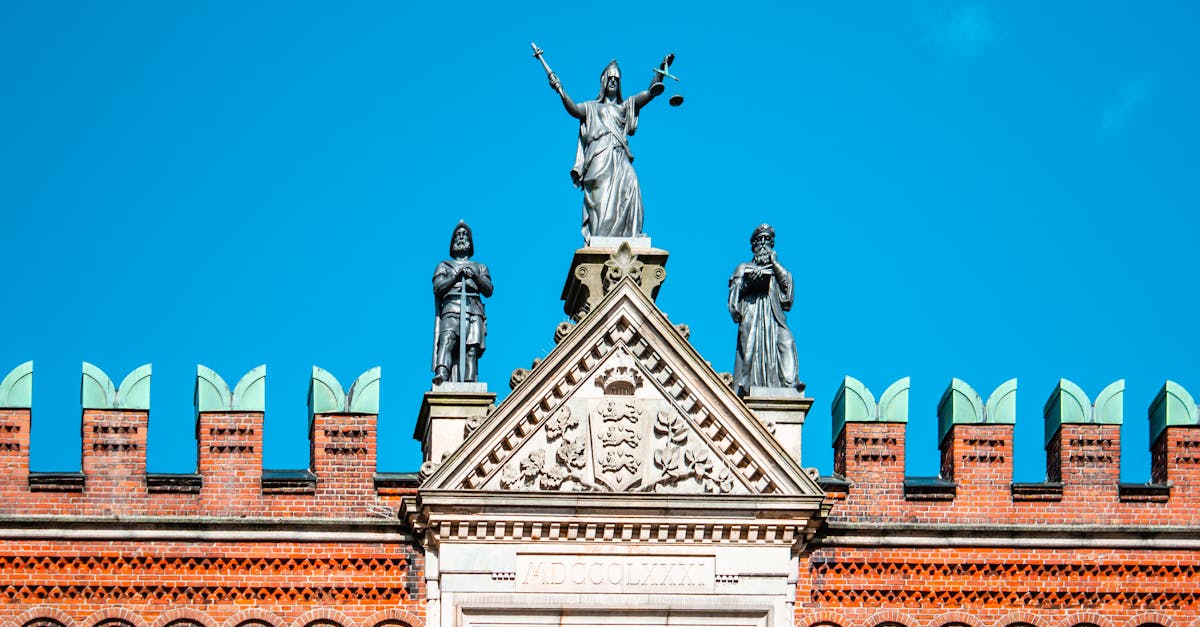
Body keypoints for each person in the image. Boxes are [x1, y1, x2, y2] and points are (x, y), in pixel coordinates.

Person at [548, 56, 671, 241]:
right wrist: (560, 89)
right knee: (603, 199)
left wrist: (660, 74)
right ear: (604, 82)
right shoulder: (592, 107)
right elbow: (574, 110)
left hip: (620, 156)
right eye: (610, 78)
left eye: (616, 79)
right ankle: (601, 236)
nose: (613, 81)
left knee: (632, 183)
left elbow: (649, 93)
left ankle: (632, 234)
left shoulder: (625, 107)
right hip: (599, 158)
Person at [728, 224, 800, 396]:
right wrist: (748, 284)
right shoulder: (743, 267)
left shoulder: (776, 269)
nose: (763, 244)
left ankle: (790, 385)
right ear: (753, 245)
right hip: (752, 316)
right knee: (750, 354)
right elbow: (733, 298)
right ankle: (747, 389)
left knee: (786, 342)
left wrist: (775, 264)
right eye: (759, 240)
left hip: (774, 317)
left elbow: (788, 293)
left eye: (767, 239)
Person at [432, 222, 493, 385]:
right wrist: (456, 277)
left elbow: (488, 290)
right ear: (452, 242)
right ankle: (442, 374)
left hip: (474, 308)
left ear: (470, 242)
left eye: (464, 235)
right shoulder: (444, 266)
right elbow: (438, 288)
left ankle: (470, 381)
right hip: (452, 306)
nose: (461, 237)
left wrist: (475, 276)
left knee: (471, 349)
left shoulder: (480, 267)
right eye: (457, 235)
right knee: (447, 339)